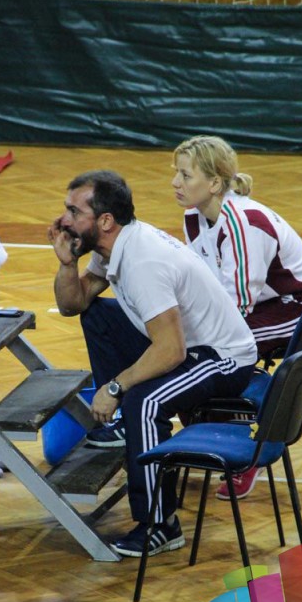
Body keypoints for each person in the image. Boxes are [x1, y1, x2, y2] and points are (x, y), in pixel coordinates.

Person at [48, 170, 256, 558]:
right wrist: (66, 264)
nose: (64, 221)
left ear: (105, 221)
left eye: (74, 212)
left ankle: (160, 525)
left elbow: (171, 351)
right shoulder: (114, 246)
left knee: (143, 402)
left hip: (222, 357)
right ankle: (124, 424)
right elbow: (72, 304)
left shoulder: (143, 262)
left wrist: (115, 387)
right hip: (184, 345)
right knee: (96, 315)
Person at [172, 135, 302, 501]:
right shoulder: (194, 217)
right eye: (177, 173)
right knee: (187, 345)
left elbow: (237, 306)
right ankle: (213, 429)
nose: (175, 182)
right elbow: (202, 284)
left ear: (214, 183)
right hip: (266, 303)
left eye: (185, 175)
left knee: (209, 351)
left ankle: (252, 446)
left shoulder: (242, 222)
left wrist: (188, 333)